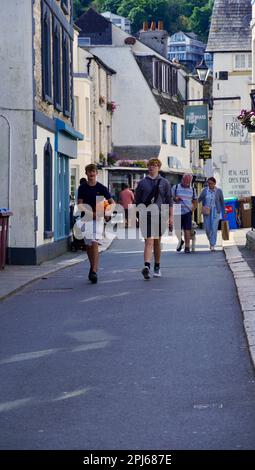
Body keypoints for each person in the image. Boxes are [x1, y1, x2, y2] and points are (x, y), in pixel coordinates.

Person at [135, 158, 173, 279]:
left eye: (155, 165)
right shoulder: (141, 183)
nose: (152, 167)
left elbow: (169, 201)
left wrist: (171, 217)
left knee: (157, 241)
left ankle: (157, 265)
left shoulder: (164, 183)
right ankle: (146, 266)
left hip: (160, 215)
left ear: (159, 167)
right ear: (148, 167)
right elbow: (137, 201)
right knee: (149, 240)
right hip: (146, 215)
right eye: (151, 165)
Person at [77, 164, 114, 283]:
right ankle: (92, 266)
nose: (91, 174)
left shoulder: (102, 188)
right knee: (88, 245)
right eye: (89, 172)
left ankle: (94, 271)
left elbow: (112, 203)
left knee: (94, 243)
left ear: (96, 173)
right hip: (86, 218)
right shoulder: (82, 188)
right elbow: (80, 204)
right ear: (86, 173)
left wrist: (108, 213)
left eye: (93, 172)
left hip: (98, 219)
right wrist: (90, 213)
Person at [198, 176, 225, 252]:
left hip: (216, 211)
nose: (210, 185)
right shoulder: (204, 191)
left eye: (211, 183)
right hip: (206, 211)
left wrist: (224, 211)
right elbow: (199, 199)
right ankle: (211, 241)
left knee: (214, 228)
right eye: (208, 183)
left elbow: (222, 201)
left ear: (214, 183)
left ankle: (212, 245)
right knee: (207, 228)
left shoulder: (219, 191)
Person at [173, 174, 197, 253]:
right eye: (185, 181)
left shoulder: (193, 190)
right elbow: (169, 197)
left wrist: (192, 209)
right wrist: (175, 198)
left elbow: (195, 201)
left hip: (187, 212)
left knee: (187, 229)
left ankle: (187, 247)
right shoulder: (175, 188)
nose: (187, 183)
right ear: (182, 180)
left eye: (188, 182)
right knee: (177, 230)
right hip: (177, 211)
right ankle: (180, 240)